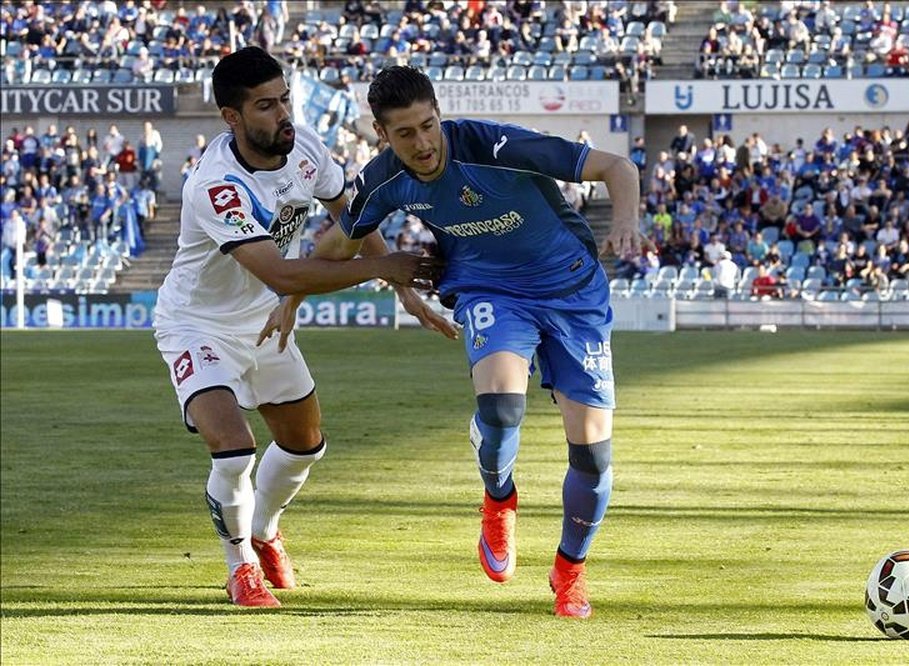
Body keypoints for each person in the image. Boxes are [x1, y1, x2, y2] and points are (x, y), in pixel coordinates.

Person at [261, 65, 652, 618]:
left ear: (439, 115)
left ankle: (570, 573)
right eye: (405, 133)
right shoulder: (383, 179)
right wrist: (292, 297)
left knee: (592, 455)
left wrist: (627, 221)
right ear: (382, 133)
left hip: (573, 295)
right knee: (500, 409)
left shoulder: (495, 145)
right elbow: (340, 243)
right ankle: (498, 501)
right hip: (490, 290)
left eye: (428, 126)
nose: (421, 144)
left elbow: (617, 166)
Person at [152, 48, 454, 609]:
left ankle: (264, 531)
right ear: (232, 118)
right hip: (199, 325)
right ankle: (239, 565)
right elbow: (279, 270)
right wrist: (382, 269)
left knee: (303, 445)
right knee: (234, 452)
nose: (283, 114)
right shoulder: (216, 185)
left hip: (264, 319)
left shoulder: (305, 146)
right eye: (266, 106)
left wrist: (406, 292)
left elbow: (352, 217)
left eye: (285, 98)